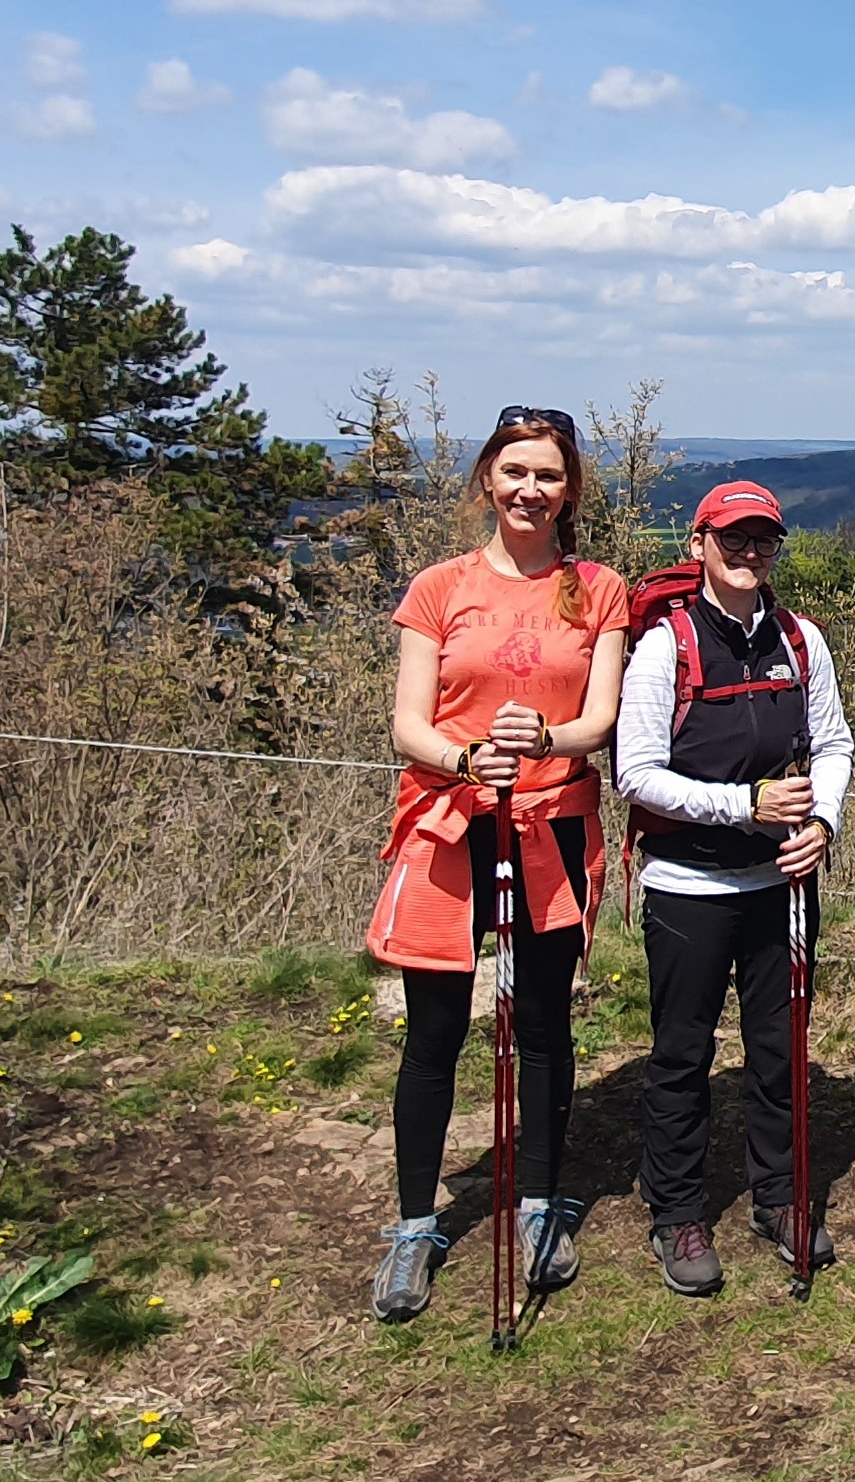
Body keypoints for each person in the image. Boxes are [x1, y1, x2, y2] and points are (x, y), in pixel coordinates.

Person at [365, 407, 629, 1322]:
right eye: (515, 471)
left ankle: (541, 1203)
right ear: (487, 478)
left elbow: (601, 719)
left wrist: (545, 737)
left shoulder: (597, 589)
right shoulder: (439, 586)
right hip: (450, 818)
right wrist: (464, 757)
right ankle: (413, 1226)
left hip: (552, 820)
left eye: (548, 476)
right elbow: (407, 718)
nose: (530, 490)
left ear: (570, 490)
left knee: (545, 1024)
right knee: (434, 1029)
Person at [613, 482, 854, 1297]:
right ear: (700, 544)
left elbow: (833, 742)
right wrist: (743, 805)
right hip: (688, 882)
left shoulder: (800, 639)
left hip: (780, 880)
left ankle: (780, 1196)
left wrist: (822, 823)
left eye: (762, 541)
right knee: (682, 1052)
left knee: (780, 1050)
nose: (749, 554)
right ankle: (677, 1210)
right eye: (733, 539)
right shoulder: (664, 646)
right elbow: (635, 773)